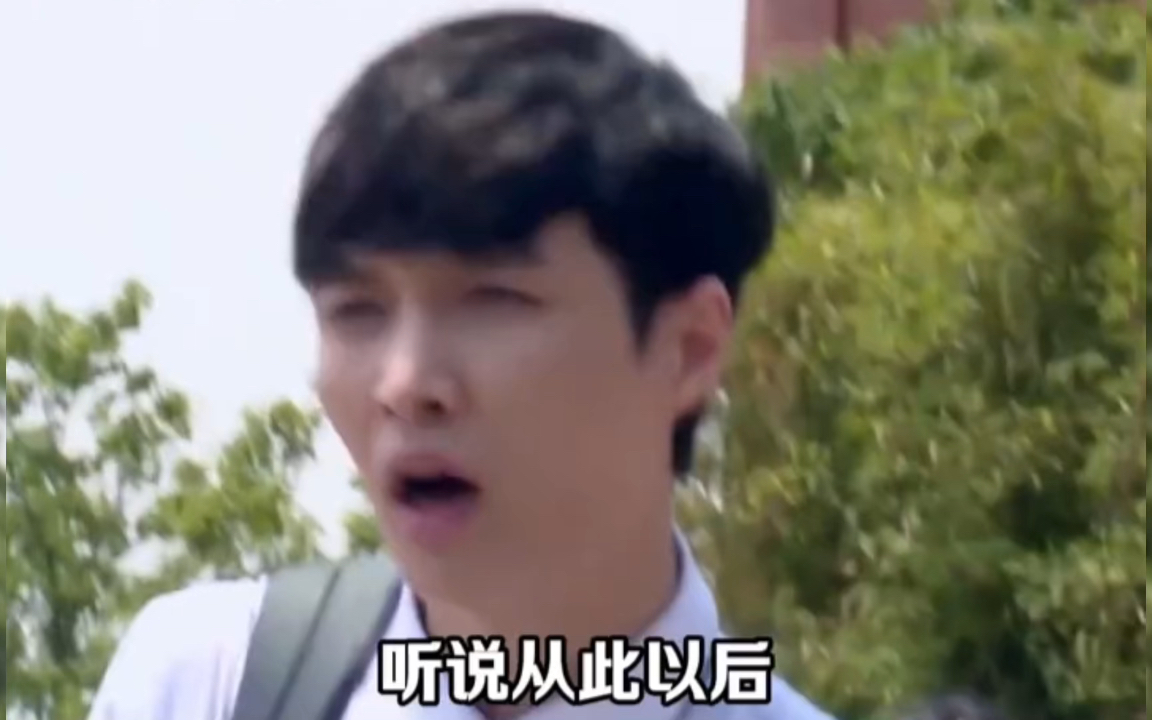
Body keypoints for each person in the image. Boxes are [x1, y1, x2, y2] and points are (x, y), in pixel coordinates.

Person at [86, 10, 835, 720]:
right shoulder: (208, 686)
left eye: (493, 299)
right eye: (356, 309)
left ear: (690, 348)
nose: (406, 384)